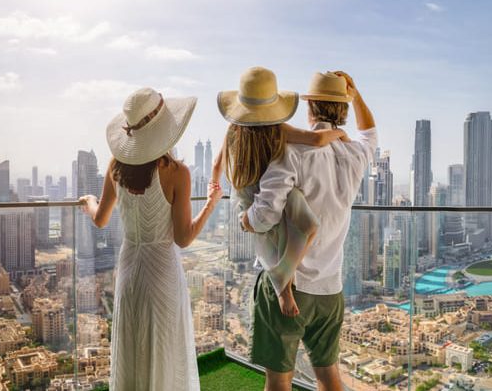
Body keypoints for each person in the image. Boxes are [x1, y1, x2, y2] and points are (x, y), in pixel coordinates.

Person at [242, 70, 377, 391]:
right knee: (328, 376)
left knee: (279, 380)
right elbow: (369, 132)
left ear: (309, 108)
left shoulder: (292, 152)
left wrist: (245, 219)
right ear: (343, 110)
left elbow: (264, 216)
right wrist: (355, 95)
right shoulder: (355, 154)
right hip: (330, 289)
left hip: (290, 284)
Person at [79, 88, 221, 391]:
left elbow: (100, 219)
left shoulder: (115, 166)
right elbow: (183, 238)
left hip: (130, 269)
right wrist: (210, 205)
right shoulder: (177, 173)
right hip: (162, 272)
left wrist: (89, 201)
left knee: (132, 347)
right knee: (164, 350)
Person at [215, 66, 348, 317]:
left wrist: (214, 187)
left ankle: (282, 279)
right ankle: (283, 288)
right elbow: (317, 140)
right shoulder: (279, 129)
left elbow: (217, 164)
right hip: (255, 194)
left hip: (254, 194)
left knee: (302, 227)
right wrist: (340, 132)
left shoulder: (234, 128)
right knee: (297, 228)